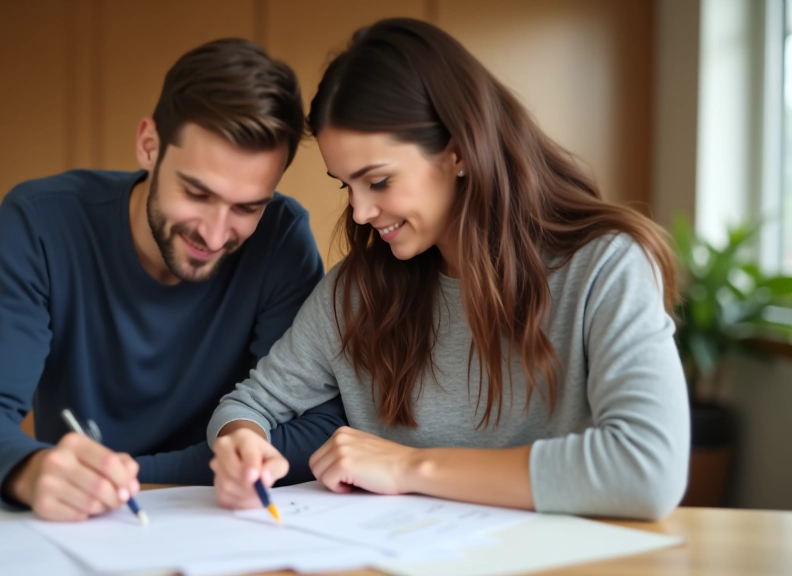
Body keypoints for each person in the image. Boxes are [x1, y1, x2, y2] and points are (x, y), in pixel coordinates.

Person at [208, 18, 689, 520]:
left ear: (457, 150)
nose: (359, 212)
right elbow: (248, 406)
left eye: (379, 180)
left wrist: (410, 468)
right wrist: (241, 444)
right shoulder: (356, 293)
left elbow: (648, 469)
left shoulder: (604, 268)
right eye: (345, 185)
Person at [0, 38, 346, 521]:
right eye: (196, 192)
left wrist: (129, 474)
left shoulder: (280, 239)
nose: (215, 235)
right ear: (148, 145)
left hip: (220, 523)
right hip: (79, 522)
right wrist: (32, 470)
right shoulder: (39, 222)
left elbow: (316, 427)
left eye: (247, 207)